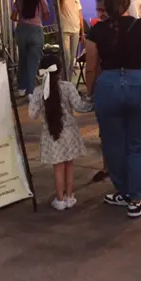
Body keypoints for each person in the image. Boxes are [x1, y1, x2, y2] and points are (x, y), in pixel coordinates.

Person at [85, 0, 141, 219]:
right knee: (139, 143)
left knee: (112, 143)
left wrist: (91, 93)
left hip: (107, 87)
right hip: (139, 85)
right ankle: (136, 198)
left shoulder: (96, 31)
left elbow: (91, 68)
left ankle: (123, 190)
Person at [28, 54, 93, 211]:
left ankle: (59, 199)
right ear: (60, 71)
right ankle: (70, 197)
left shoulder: (38, 91)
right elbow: (79, 106)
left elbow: (32, 114)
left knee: (58, 167)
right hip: (69, 132)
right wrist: (93, 103)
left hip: (51, 133)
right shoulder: (68, 87)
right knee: (69, 164)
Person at [12, 0, 50, 97]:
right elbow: (47, 16)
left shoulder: (19, 1)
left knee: (23, 59)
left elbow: (13, 17)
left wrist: (22, 20)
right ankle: (30, 91)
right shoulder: (41, 0)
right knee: (33, 62)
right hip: (36, 31)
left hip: (22, 31)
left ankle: (21, 88)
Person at [89, 0, 109, 183]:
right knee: (105, 130)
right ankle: (107, 166)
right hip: (104, 85)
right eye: (99, 10)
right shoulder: (97, 31)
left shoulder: (100, 32)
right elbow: (91, 66)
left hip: (109, 85)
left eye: (104, 10)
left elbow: (90, 67)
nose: (101, 14)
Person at [58, 0, 84, 81]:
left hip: (75, 30)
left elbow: (79, 14)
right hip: (64, 30)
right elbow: (57, 9)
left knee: (72, 57)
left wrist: (82, 32)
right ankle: (63, 80)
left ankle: (68, 82)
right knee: (66, 57)